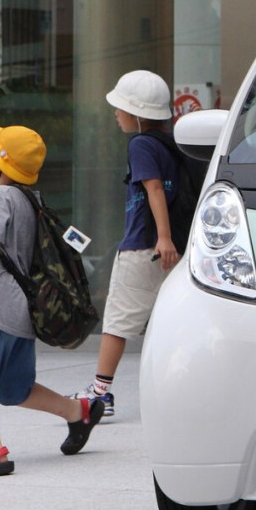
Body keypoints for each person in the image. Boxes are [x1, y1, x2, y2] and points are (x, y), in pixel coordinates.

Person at [0, 125, 104, 478]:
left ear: (2, 167)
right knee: (12, 387)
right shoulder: (30, 199)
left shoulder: (0, 197)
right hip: (23, 311)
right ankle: (77, 411)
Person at [69, 70, 179, 417]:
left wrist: (162, 237)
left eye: (120, 107)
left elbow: (154, 189)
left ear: (138, 113)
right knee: (167, 323)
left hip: (145, 246)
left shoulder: (141, 144)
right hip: (171, 249)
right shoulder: (171, 144)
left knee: (117, 322)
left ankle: (101, 393)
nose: (116, 114)